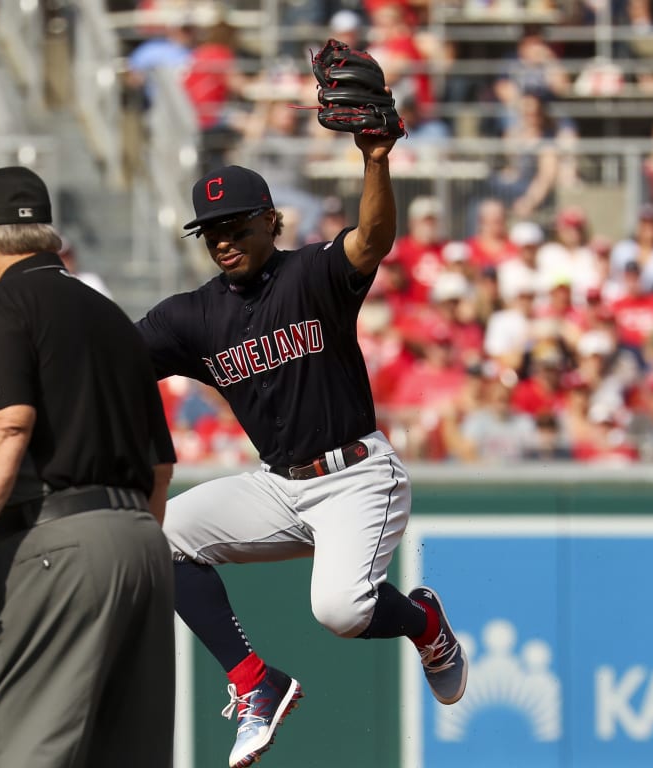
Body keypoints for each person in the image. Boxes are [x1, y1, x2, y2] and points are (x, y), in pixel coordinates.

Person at [135, 149, 469, 766]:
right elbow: (111, 357)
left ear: (271, 220)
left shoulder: (312, 274)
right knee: (158, 539)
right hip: (278, 485)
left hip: (357, 476)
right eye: (211, 232)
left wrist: (374, 160)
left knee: (339, 610)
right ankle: (253, 680)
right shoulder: (195, 316)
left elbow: (373, 237)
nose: (224, 241)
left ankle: (425, 625)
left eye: (236, 226)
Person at [0, 166, 177, 768]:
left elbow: (5, 421)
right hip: (141, 547)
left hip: (52, 543)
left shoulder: (0, 302)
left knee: (15, 753)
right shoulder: (114, 317)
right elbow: (160, 468)